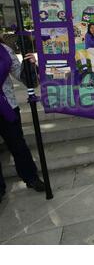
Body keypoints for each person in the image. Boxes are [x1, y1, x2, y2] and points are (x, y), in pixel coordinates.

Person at [0, 37, 45, 203]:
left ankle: (30, 177)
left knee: (18, 144)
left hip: (6, 107)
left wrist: (30, 66)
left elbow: (26, 78)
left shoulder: (4, 50)